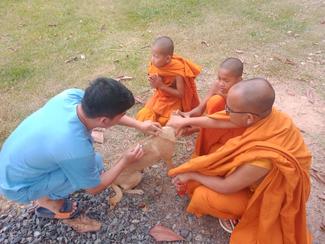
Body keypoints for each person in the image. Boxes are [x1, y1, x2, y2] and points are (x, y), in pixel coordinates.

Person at [169, 78, 312, 243]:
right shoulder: (273, 116)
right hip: (255, 175)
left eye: (229, 109)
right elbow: (222, 119)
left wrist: (193, 175)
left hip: (268, 199)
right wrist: (186, 121)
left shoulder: (262, 158)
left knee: (202, 195)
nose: (225, 111)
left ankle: (239, 216)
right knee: (215, 154)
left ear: (249, 118)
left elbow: (227, 186)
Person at [0, 77, 161, 219]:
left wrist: (140, 125)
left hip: (10, 163)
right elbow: (93, 188)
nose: (123, 116)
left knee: (95, 163)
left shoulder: (70, 96)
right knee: (90, 170)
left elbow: (106, 115)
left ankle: (52, 187)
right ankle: (48, 201)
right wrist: (125, 161)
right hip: (17, 187)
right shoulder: (76, 149)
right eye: (122, 114)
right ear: (104, 121)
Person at [136, 36, 201, 125]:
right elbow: (155, 86)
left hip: (173, 100)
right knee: (144, 116)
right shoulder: (155, 65)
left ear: (167, 59)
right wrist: (154, 83)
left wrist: (161, 86)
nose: (152, 59)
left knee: (165, 121)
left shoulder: (177, 70)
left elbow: (180, 94)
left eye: (156, 56)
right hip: (160, 96)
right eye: (152, 55)